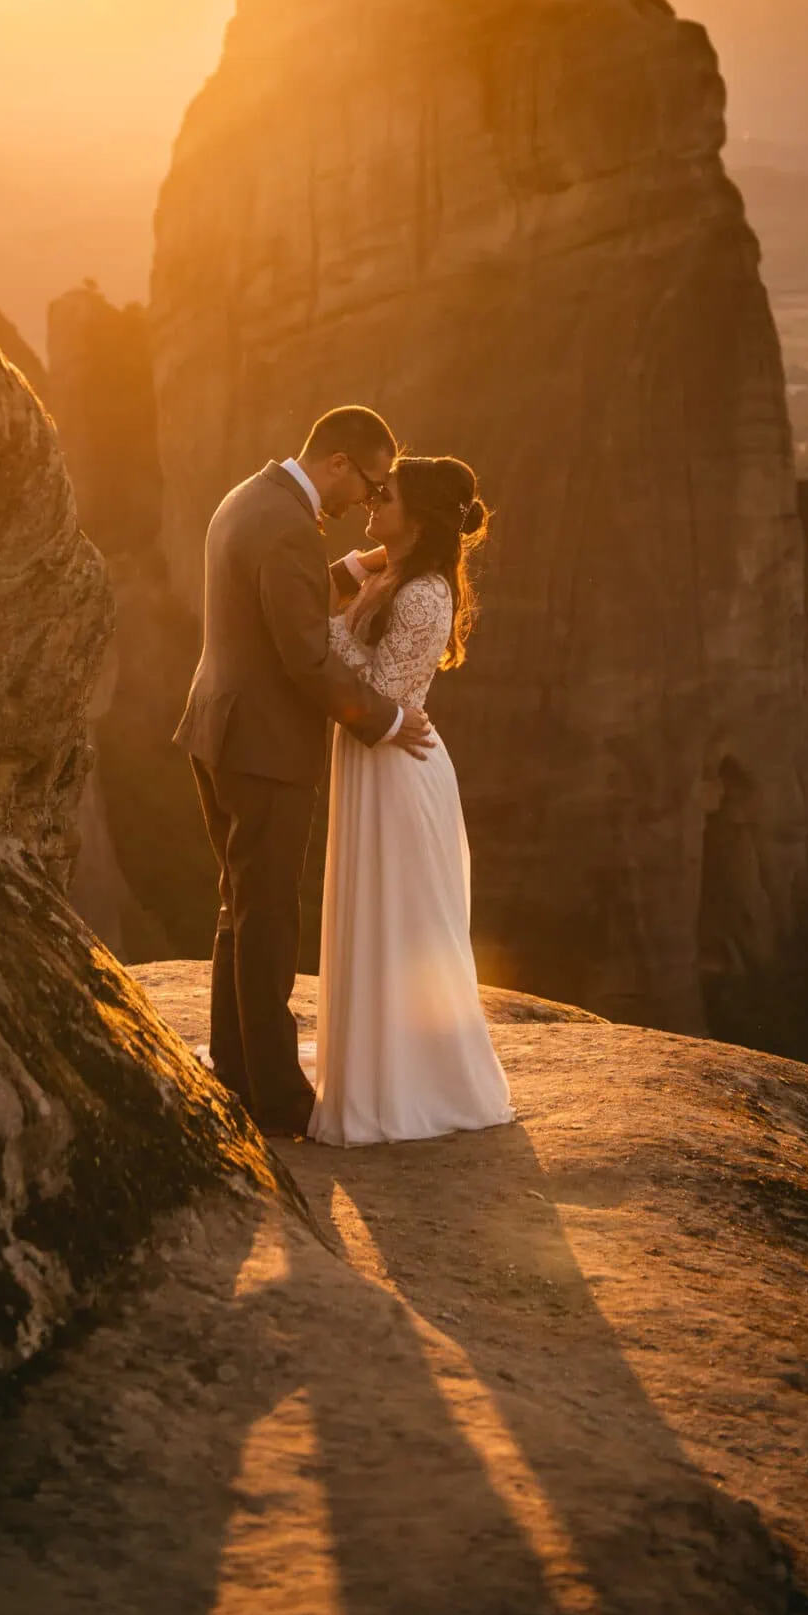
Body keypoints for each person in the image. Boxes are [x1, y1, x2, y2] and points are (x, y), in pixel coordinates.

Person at [175, 407, 435, 1137]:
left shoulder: (251, 496)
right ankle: (278, 1100)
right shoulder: (287, 522)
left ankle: (235, 1068)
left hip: (216, 727)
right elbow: (304, 657)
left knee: (241, 905)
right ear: (341, 464)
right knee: (268, 918)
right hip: (262, 748)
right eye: (373, 480)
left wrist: (352, 571)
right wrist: (384, 720)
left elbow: (281, 593)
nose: (370, 499)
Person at [310, 454, 512, 1146]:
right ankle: (368, 1065)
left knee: (398, 920)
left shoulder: (425, 593)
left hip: (397, 769)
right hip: (377, 761)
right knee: (374, 913)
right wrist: (364, 565)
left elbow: (382, 695)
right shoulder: (395, 573)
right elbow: (331, 590)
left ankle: (406, 1082)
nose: (370, 501)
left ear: (417, 516)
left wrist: (319, 635)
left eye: (384, 496)